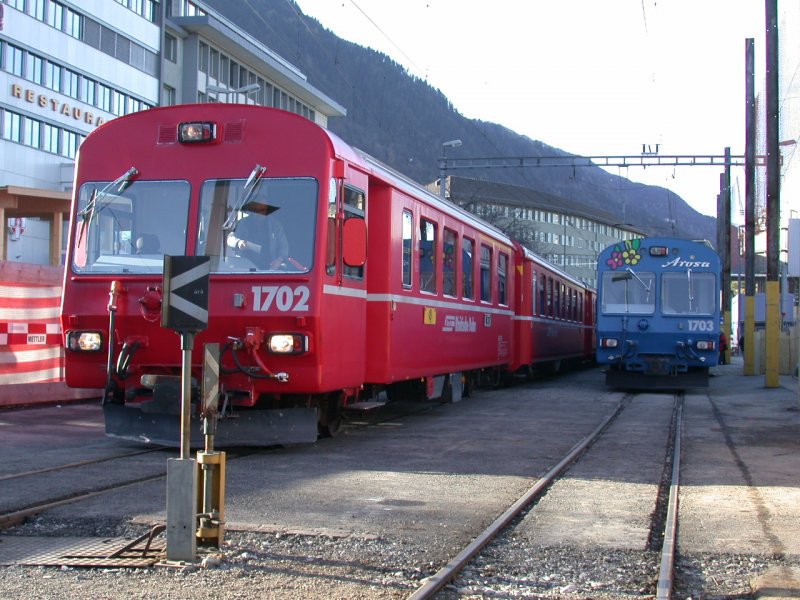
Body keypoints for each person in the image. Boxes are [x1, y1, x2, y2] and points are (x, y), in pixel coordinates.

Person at [226, 204, 289, 269]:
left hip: (269, 269)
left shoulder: (275, 225)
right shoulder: (242, 223)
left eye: (263, 209)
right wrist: (238, 242)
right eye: (257, 209)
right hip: (245, 268)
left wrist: (279, 260)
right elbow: (229, 239)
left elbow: (283, 246)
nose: (260, 211)